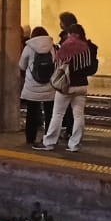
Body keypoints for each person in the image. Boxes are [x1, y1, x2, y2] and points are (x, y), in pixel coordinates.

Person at [39, 24, 98, 152]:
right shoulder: (87, 47)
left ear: (73, 34)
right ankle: (74, 144)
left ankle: (49, 142)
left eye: (69, 33)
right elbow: (89, 67)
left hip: (66, 86)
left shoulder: (67, 46)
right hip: (82, 85)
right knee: (78, 115)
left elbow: (57, 64)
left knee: (58, 114)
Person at [19, 27, 57, 147]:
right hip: (49, 85)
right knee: (50, 114)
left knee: (32, 114)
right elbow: (56, 64)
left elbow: (22, 65)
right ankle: (49, 137)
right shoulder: (52, 47)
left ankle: (30, 138)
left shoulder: (28, 47)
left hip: (32, 86)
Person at [57, 12, 80, 138]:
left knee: (59, 112)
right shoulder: (82, 39)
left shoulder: (66, 39)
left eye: (60, 21)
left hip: (67, 79)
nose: (59, 24)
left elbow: (62, 58)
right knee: (77, 112)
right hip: (80, 80)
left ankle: (51, 139)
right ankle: (74, 136)